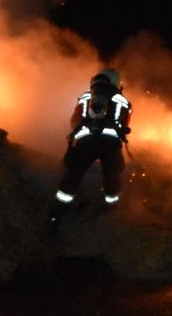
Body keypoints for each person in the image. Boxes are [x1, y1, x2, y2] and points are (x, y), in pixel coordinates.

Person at [47, 68, 132, 231]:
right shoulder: (123, 101)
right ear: (116, 82)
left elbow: (74, 120)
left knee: (73, 176)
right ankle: (110, 212)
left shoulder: (85, 97)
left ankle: (56, 215)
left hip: (86, 142)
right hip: (111, 144)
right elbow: (125, 125)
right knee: (112, 176)